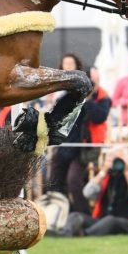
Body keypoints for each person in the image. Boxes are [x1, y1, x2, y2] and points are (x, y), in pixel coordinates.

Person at [45, 64, 112, 215]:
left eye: (94, 83)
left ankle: (84, 216)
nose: (92, 86)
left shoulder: (103, 98)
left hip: (85, 150)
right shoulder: (71, 95)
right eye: (89, 82)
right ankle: (61, 214)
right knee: (53, 182)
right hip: (64, 145)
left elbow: (100, 116)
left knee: (73, 182)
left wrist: (86, 100)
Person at [59, 147, 128, 237]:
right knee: (75, 215)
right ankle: (65, 233)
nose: (116, 162)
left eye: (119, 159)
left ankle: (85, 234)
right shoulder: (105, 177)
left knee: (110, 220)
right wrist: (103, 171)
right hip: (103, 221)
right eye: (113, 159)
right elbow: (87, 193)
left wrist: (126, 171)